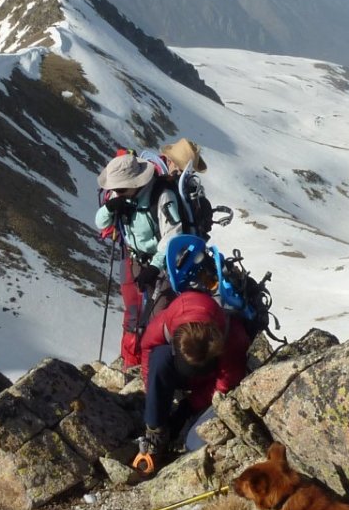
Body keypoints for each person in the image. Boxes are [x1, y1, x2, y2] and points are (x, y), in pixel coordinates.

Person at [131, 288, 250, 475]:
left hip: (207, 384)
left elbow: (224, 385)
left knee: (193, 444)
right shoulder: (164, 324)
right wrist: (154, 395)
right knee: (159, 357)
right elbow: (148, 351)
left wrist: (189, 406)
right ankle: (155, 432)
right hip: (179, 373)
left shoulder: (232, 337)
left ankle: (178, 437)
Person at [95, 153, 190, 367]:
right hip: (135, 259)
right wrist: (110, 207)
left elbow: (172, 236)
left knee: (160, 318)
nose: (115, 193)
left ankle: (157, 368)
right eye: (114, 189)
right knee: (133, 316)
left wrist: (155, 267)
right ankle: (132, 365)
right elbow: (100, 222)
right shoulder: (118, 196)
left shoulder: (162, 196)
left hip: (163, 264)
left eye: (119, 189)